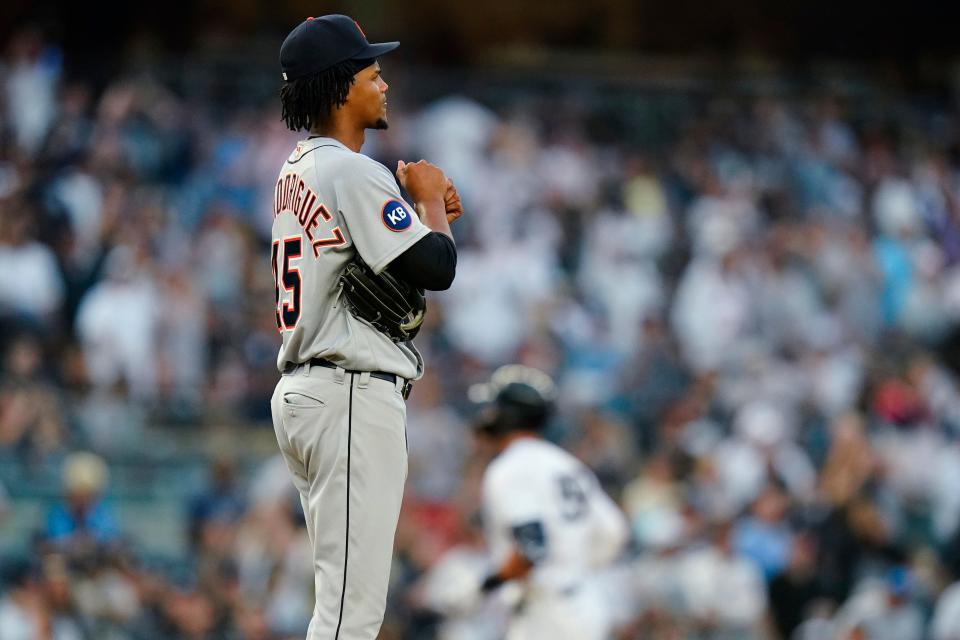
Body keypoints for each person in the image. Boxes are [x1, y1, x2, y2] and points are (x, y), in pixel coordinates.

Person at [269, 14, 462, 640]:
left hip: (310, 390)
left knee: (339, 600)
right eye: (372, 74)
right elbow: (438, 267)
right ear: (339, 86)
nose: (384, 85)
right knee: (351, 614)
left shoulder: (296, 169)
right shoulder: (350, 170)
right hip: (348, 391)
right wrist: (429, 201)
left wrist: (423, 215)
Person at [469, 365, 630, 640]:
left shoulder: (509, 468)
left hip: (547, 616)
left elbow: (532, 547)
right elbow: (614, 532)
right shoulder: (565, 463)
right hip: (585, 603)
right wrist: (570, 564)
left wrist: (487, 583)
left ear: (507, 414)